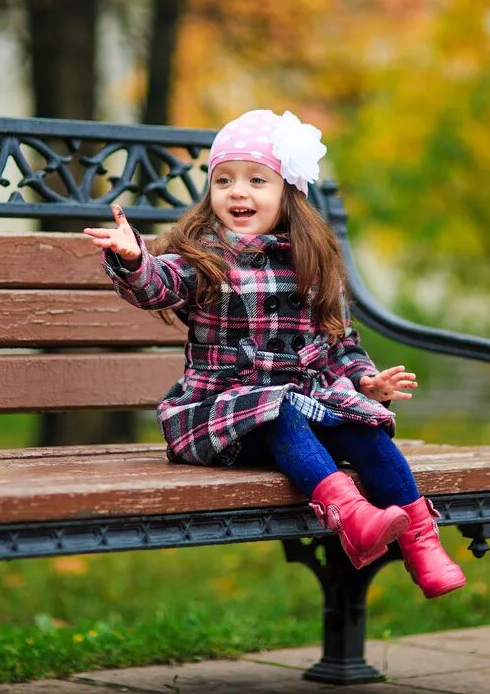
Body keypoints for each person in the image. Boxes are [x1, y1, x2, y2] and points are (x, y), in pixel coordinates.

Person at [84, 109, 465, 598]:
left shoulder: (315, 264)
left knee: (363, 427)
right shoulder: (203, 257)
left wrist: (367, 382)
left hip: (302, 409)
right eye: (224, 180)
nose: (238, 191)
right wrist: (134, 258)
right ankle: (352, 518)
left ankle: (422, 545)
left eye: (256, 180)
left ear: (289, 193)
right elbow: (160, 284)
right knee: (278, 407)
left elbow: (340, 344)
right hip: (220, 417)